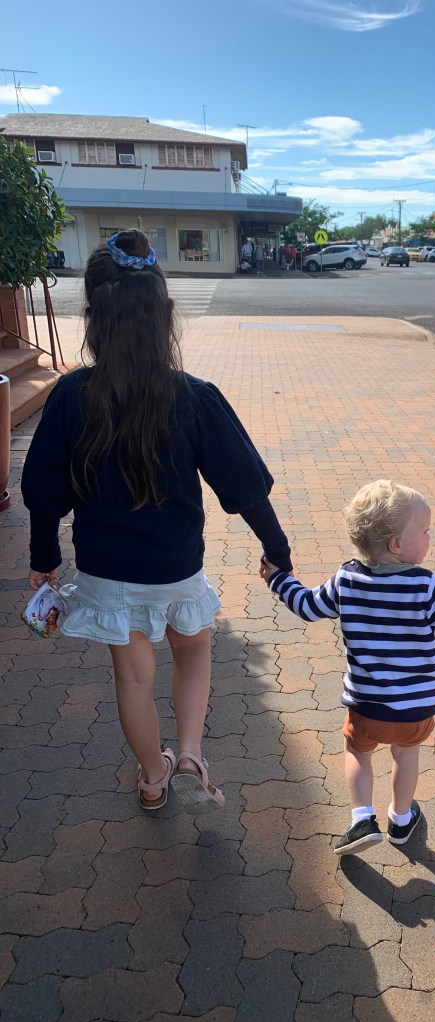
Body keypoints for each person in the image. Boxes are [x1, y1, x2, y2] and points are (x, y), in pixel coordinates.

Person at [22, 229, 292, 815]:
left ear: (93, 318)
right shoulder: (194, 397)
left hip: (105, 572)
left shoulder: (71, 396)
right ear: (166, 315)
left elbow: (43, 493)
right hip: (176, 565)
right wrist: (278, 548)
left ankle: (152, 778)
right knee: (193, 648)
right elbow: (245, 486)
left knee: (134, 678)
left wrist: (44, 558)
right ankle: (189, 754)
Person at [260, 479, 435, 855]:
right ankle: (400, 819)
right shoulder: (425, 585)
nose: (430, 537)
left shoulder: (347, 579)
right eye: (425, 532)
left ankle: (362, 818)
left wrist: (279, 579)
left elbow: (308, 606)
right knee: (406, 754)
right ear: (396, 544)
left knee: (358, 752)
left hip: (367, 705)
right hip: (415, 708)